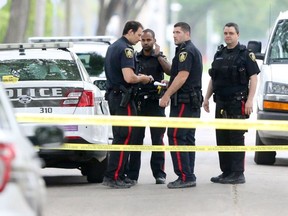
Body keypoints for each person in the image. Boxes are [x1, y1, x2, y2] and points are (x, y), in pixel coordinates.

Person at [203, 22, 259, 184]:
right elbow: (213, 78)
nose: (228, 35)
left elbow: (253, 78)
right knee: (222, 138)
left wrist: (249, 100)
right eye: (226, 33)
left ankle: (237, 173)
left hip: (237, 102)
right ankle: (226, 172)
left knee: (236, 137)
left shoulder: (245, 54)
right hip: (220, 102)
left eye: (231, 33)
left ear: (238, 35)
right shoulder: (219, 53)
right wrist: (206, 98)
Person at [103, 21, 153, 189]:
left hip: (115, 97)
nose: (140, 39)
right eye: (139, 35)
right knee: (125, 136)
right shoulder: (126, 50)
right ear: (130, 32)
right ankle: (114, 176)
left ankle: (118, 174)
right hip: (123, 99)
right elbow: (129, 78)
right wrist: (143, 78)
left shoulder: (113, 46)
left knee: (120, 136)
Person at [159, 22, 203, 189]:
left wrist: (167, 95)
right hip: (190, 101)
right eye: (173, 32)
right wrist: (169, 83)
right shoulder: (189, 50)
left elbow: (183, 77)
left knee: (176, 136)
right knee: (187, 138)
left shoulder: (186, 52)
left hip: (184, 101)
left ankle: (185, 176)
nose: (174, 35)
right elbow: (181, 77)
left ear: (187, 34)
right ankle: (189, 174)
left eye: (178, 32)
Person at [125, 29, 171, 184]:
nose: (145, 42)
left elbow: (170, 71)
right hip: (139, 103)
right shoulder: (135, 58)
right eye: (143, 40)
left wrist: (158, 56)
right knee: (135, 140)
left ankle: (159, 174)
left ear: (154, 40)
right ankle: (132, 176)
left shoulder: (159, 57)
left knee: (157, 140)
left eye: (148, 40)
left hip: (155, 103)